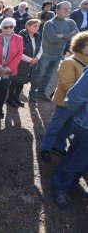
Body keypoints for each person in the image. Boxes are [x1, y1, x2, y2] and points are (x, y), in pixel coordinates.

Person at [39, 31, 88, 163]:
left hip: (80, 103)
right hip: (66, 102)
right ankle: (45, 147)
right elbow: (67, 86)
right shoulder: (69, 62)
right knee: (56, 125)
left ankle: (58, 146)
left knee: (69, 127)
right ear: (80, 46)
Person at [51, 67, 88, 208]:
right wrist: (80, 117)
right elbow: (75, 97)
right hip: (85, 126)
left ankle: (72, 182)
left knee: (84, 162)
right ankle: (58, 186)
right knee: (77, 160)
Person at [29, 1, 79, 102]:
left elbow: (77, 35)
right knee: (40, 73)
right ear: (57, 10)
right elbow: (53, 39)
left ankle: (41, 93)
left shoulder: (71, 22)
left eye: (69, 8)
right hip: (45, 53)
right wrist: (68, 35)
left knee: (49, 74)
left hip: (58, 54)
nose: (67, 10)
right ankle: (32, 93)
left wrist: (62, 35)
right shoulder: (49, 23)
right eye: (65, 8)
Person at [8, 19, 42, 107]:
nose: (37, 28)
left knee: (22, 81)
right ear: (28, 26)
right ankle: (10, 99)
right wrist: (30, 60)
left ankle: (16, 98)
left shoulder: (37, 36)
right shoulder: (21, 37)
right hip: (19, 63)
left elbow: (41, 48)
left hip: (30, 64)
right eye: (35, 26)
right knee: (15, 82)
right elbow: (18, 52)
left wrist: (37, 58)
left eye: (38, 26)